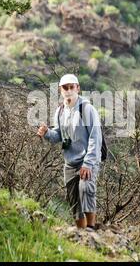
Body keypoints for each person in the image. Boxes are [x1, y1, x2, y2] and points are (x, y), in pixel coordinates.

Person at [37, 74, 102, 230]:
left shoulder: (87, 109)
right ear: (60, 90)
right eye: (65, 87)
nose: (68, 90)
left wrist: (87, 163)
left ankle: (91, 229)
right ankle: (81, 234)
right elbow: (58, 135)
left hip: (87, 160)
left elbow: (95, 137)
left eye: (71, 87)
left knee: (86, 189)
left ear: (77, 88)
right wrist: (46, 133)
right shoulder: (60, 111)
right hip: (70, 162)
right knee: (73, 199)